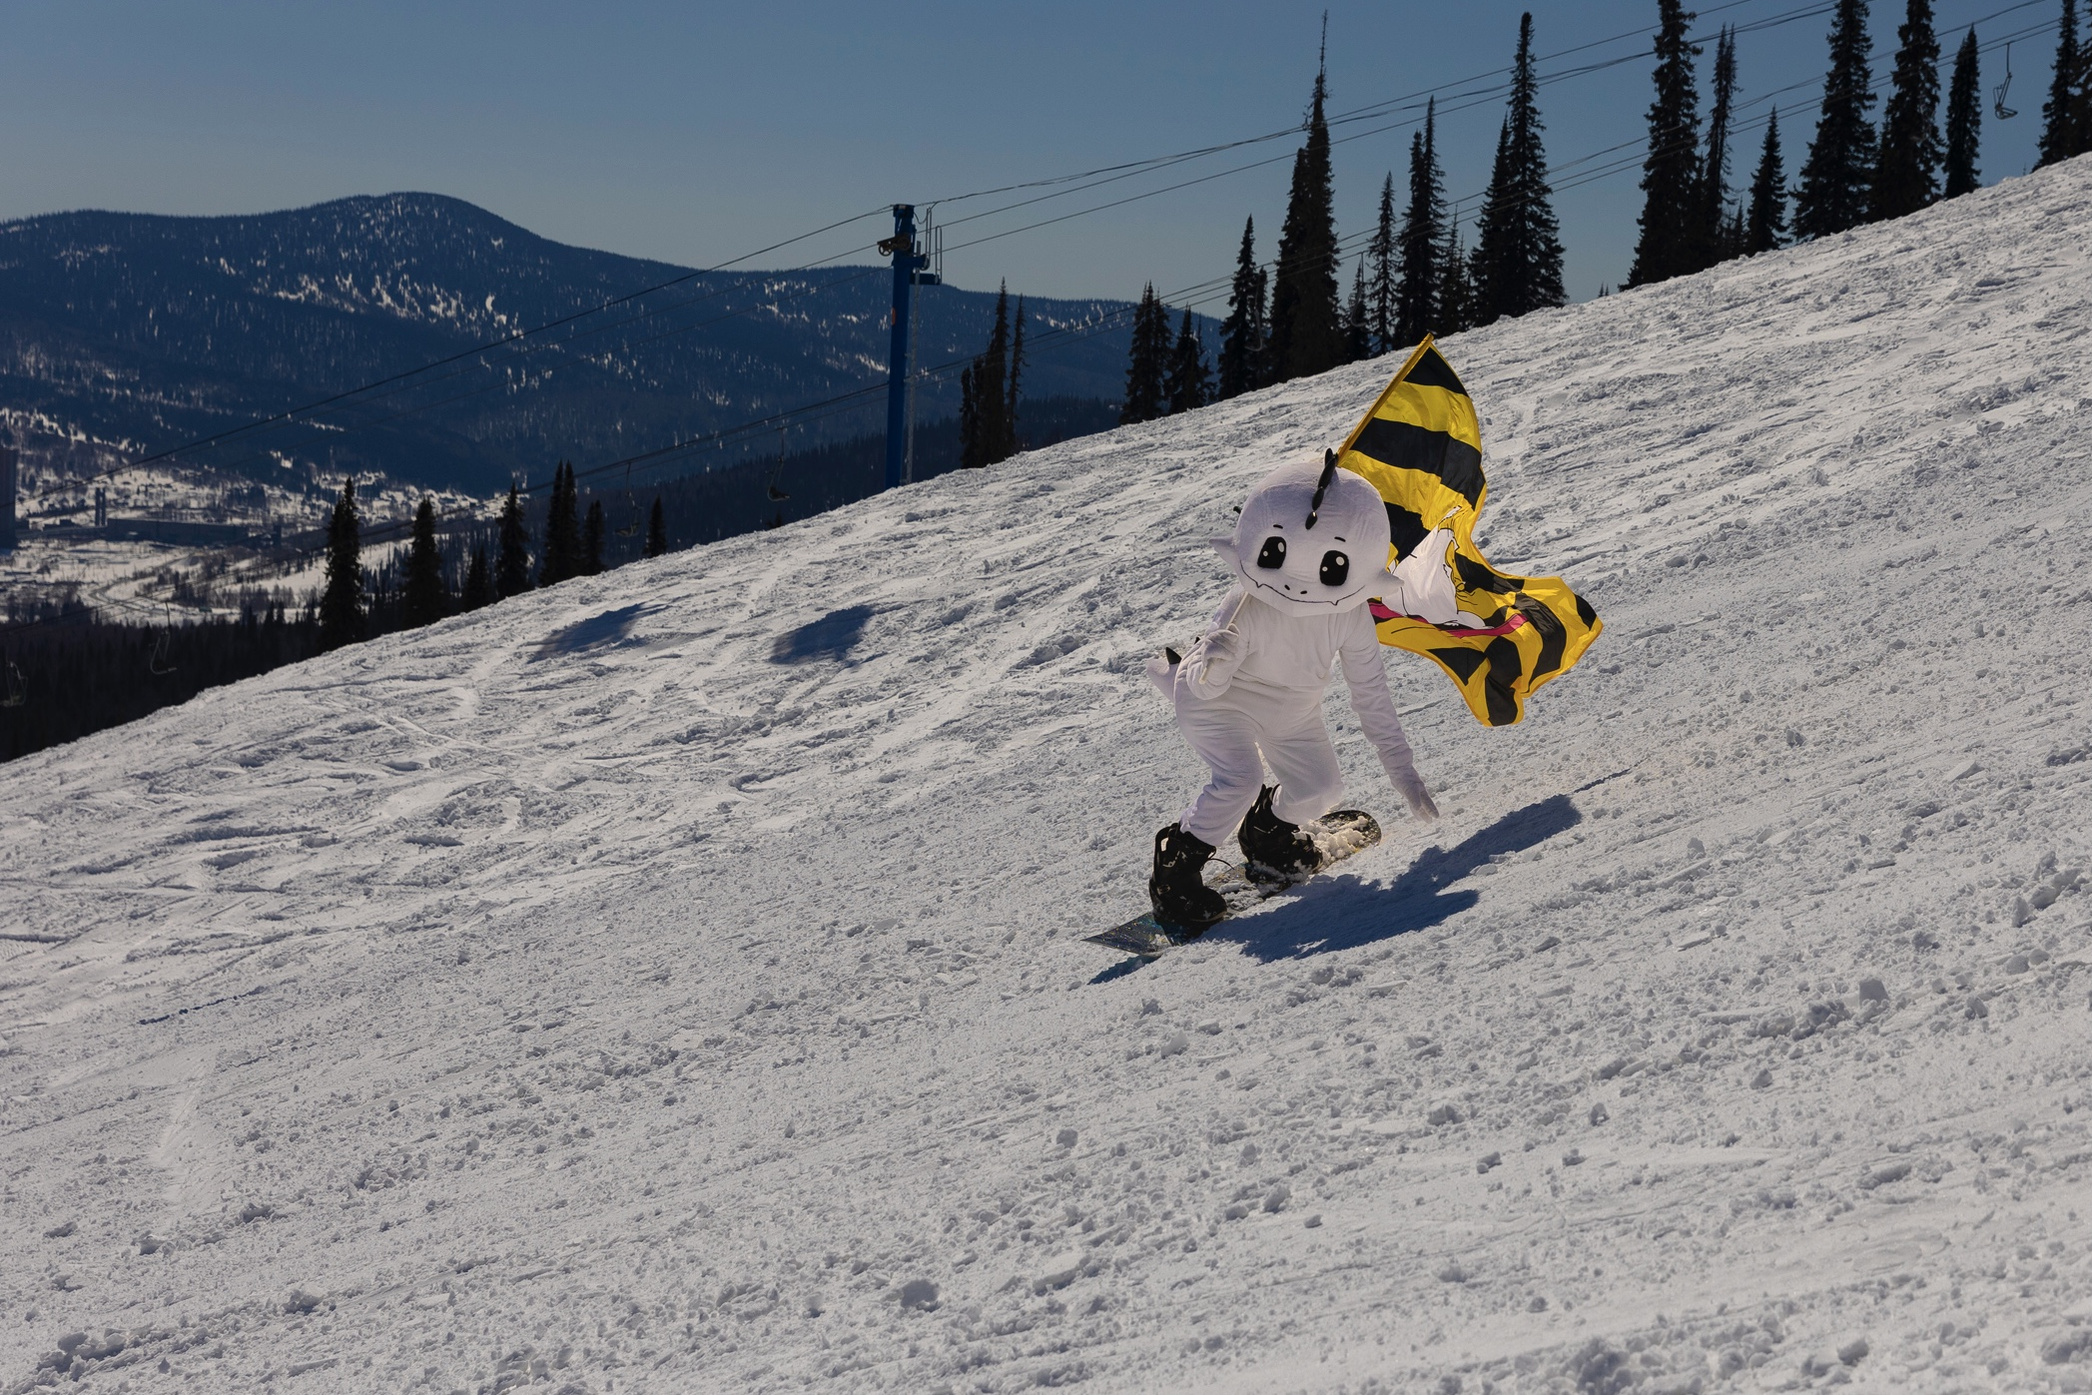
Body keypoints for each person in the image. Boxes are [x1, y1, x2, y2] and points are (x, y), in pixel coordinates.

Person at [1145, 454, 1439, 927]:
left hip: (1293, 711)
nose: (1299, 584)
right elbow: (1203, 682)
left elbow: (1372, 695)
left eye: (1334, 564)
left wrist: (1403, 773)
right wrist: (1211, 667)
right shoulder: (1249, 602)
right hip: (1221, 705)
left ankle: (1267, 833)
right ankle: (1175, 869)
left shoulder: (1351, 615)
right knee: (1239, 780)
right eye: (1276, 554)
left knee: (1322, 788)